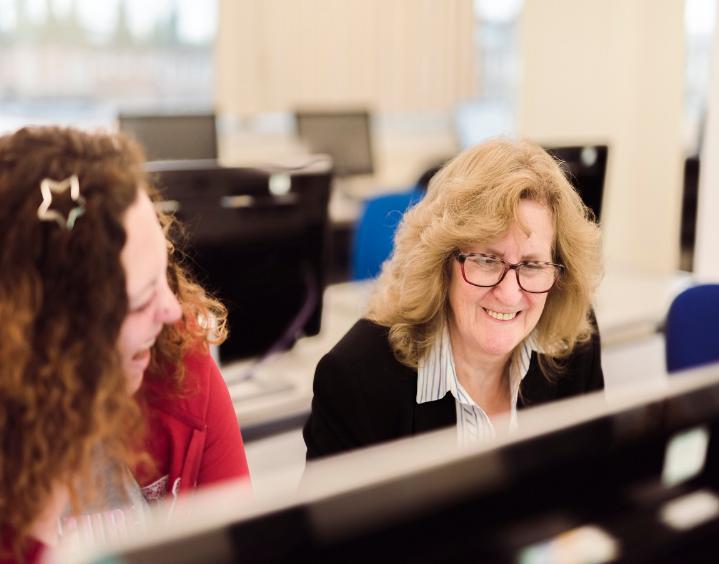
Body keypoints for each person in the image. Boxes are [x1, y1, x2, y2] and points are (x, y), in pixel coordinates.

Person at [0, 126, 249, 563]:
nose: (172, 309)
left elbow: (238, 544)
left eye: (165, 274)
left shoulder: (174, 357)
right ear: (51, 334)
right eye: (140, 300)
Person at [304, 137, 604, 460]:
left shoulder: (572, 341)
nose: (509, 293)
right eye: (487, 260)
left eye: (531, 265)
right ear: (442, 262)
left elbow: (600, 495)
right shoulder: (357, 378)